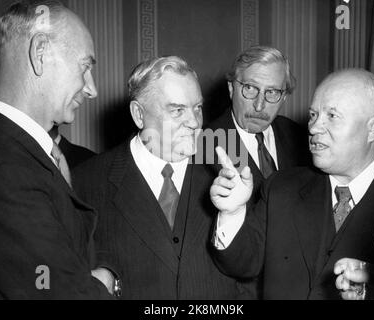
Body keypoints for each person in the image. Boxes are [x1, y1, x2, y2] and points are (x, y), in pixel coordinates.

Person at [209, 68, 374, 299]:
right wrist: (232, 213)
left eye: (332, 116)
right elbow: (242, 266)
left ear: (373, 127)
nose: (313, 128)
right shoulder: (281, 188)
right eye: (313, 115)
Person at [74, 56, 249, 299]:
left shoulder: (228, 172)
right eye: (177, 110)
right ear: (139, 114)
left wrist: (233, 215)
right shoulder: (85, 182)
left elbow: (249, 273)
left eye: (197, 108)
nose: (194, 122)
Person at [0, 0, 116, 299]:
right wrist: (105, 284)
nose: (92, 88)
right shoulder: (2, 165)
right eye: (85, 67)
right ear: (40, 52)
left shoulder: (18, 151)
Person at [207, 45, 310, 204]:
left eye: (272, 92)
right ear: (231, 88)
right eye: (249, 88)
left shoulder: (298, 136)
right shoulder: (204, 143)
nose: (259, 105)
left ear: (284, 97)